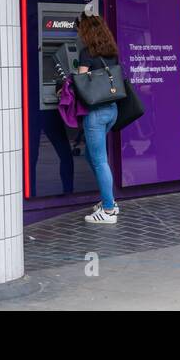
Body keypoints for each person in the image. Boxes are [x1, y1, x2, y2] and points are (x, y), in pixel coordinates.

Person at [74, 14, 121, 224]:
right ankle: (108, 200)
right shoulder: (111, 53)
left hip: (96, 113)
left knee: (100, 160)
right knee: (92, 157)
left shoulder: (86, 53)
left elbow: (81, 82)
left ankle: (109, 210)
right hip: (112, 109)